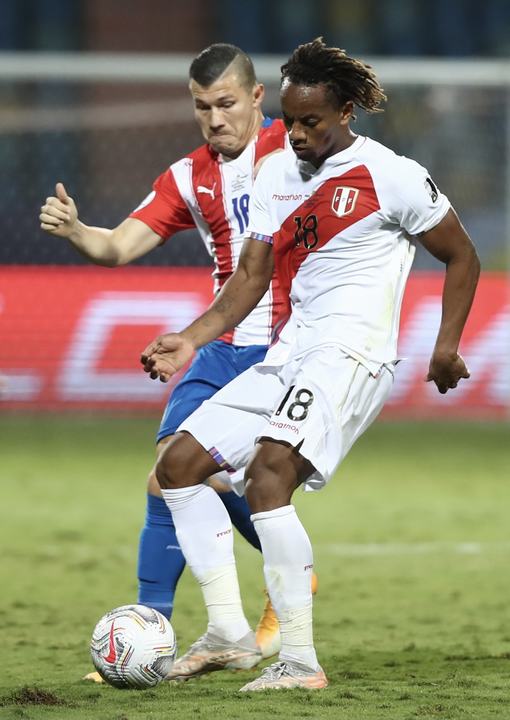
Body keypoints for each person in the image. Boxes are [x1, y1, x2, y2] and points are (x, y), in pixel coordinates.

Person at [140, 38, 480, 691]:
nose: (295, 134)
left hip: (351, 355)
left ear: (346, 111)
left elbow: (461, 254)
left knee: (268, 476)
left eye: (311, 121)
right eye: (291, 120)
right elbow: (250, 278)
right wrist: (191, 337)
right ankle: (228, 633)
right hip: (290, 352)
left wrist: (446, 345)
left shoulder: (391, 174)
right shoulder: (275, 175)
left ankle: (298, 660)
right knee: (177, 466)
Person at [39, 43, 301, 681]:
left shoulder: (297, 151)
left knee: (235, 480)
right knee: (168, 472)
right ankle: (153, 627)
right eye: (202, 107)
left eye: (226, 104)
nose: (214, 119)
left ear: (257, 97)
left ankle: (289, 576)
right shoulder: (190, 176)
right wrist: (77, 231)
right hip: (220, 348)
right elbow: (119, 245)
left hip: (285, 346)